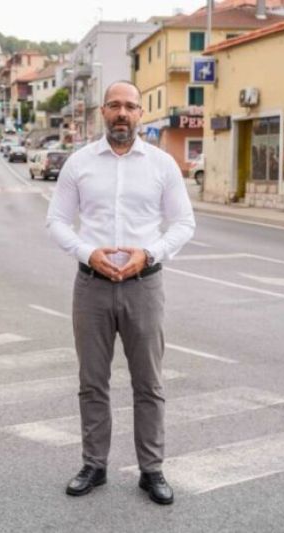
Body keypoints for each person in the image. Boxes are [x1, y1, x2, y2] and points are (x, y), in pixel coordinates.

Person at [46, 80, 196, 505]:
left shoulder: (162, 165)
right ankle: (94, 465)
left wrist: (149, 254)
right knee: (92, 382)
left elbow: (184, 223)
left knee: (149, 383)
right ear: (103, 112)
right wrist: (87, 252)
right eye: (114, 105)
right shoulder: (79, 163)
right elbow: (56, 220)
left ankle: (152, 470)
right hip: (91, 288)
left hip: (144, 287)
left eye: (130, 106)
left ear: (140, 114)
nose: (122, 113)